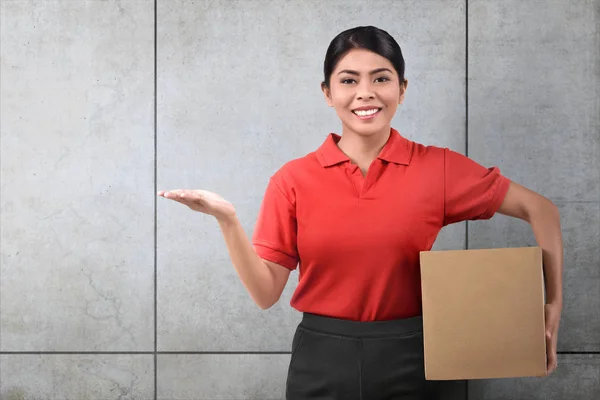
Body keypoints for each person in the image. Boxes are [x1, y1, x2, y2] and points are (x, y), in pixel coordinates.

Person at [158, 26, 563, 400]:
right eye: (349, 80)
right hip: (322, 359)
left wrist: (550, 306)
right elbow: (266, 295)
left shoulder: (437, 168)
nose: (365, 92)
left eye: (381, 78)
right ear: (327, 92)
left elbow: (540, 209)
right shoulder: (292, 179)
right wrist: (227, 220)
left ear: (402, 90)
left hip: (422, 358)